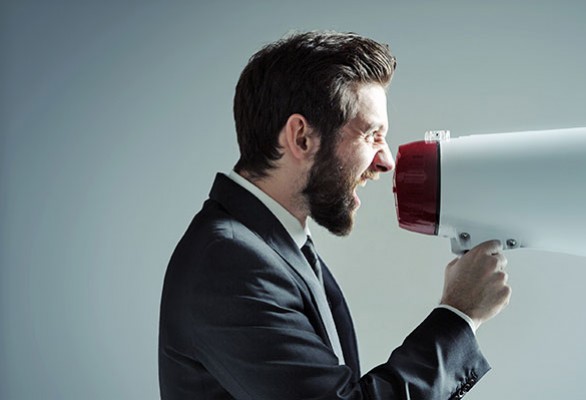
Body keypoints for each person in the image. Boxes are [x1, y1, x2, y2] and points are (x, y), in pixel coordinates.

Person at [158, 31, 511, 400]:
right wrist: (459, 315)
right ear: (301, 138)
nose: (387, 161)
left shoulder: (269, 244)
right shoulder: (229, 262)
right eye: (372, 134)